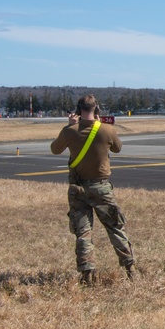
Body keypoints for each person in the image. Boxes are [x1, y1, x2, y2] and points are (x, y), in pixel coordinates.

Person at [50, 94, 135, 285]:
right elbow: (118, 148)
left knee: (83, 233)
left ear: (79, 111)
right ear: (97, 110)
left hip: (78, 188)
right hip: (101, 188)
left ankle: (87, 275)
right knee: (115, 228)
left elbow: (55, 149)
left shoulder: (69, 131)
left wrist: (70, 125)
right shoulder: (107, 130)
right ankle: (130, 269)